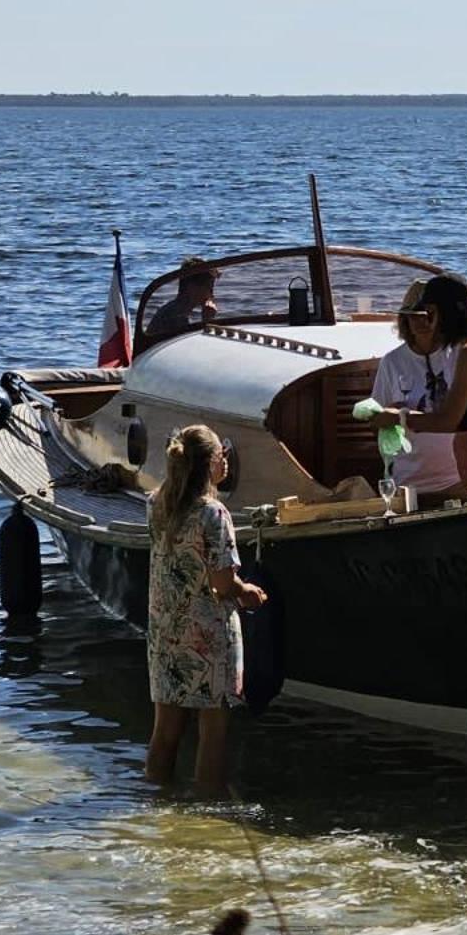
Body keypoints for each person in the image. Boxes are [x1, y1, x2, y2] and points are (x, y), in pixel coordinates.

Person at [145, 423, 267, 793]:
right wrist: (249, 592)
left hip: (165, 627)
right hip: (207, 634)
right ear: (211, 463)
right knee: (212, 729)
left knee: (166, 728)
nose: (226, 461)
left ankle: (156, 799)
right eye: (223, 455)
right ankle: (208, 809)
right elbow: (221, 584)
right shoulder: (213, 515)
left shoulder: (156, 504)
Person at [369, 272, 467, 491]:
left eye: (430, 313)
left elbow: (448, 421)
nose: (427, 322)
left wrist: (399, 417)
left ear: (446, 312)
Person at [370, 279, 462, 504]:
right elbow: (375, 419)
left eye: (429, 315)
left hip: (459, 478)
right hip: (409, 482)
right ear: (404, 320)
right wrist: (392, 415)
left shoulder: (460, 355)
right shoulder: (392, 362)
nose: (422, 322)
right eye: (415, 316)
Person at [148, 259, 219, 341]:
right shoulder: (176, 315)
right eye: (209, 287)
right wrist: (207, 321)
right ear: (192, 287)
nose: (212, 293)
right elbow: (193, 346)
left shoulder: (177, 309)